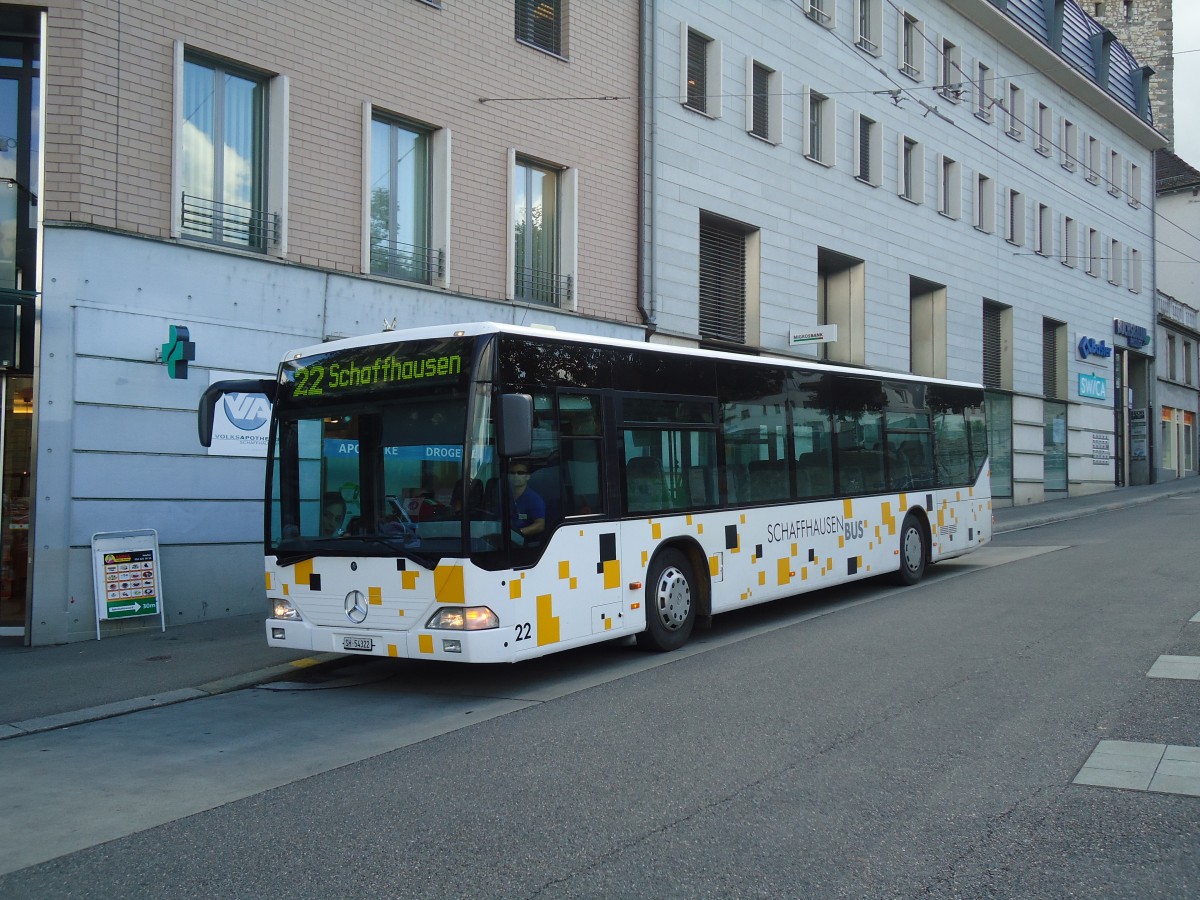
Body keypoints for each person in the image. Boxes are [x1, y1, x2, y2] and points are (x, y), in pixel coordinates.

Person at [507, 462, 545, 540]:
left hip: (526, 543)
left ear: (528, 476)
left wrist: (517, 534)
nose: (516, 476)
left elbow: (540, 525)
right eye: (512, 473)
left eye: (520, 473)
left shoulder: (534, 499)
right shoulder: (505, 496)